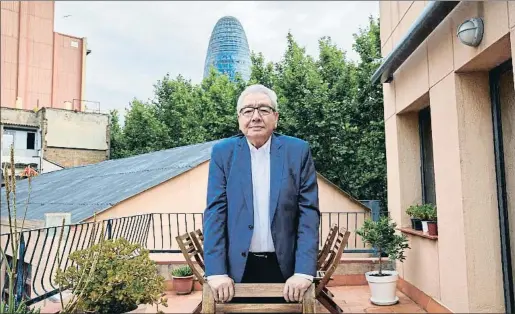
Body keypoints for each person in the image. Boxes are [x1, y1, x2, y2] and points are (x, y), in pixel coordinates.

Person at [203, 84, 320, 304]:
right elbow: (214, 213)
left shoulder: (298, 151)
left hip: (286, 269)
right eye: (248, 110)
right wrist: (216, 273)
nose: (255, 116)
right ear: (239, 118)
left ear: (275, 117)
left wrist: (304, 272)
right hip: (236, 269)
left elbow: (309, 215)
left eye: (263, 110)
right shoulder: (223, 153)